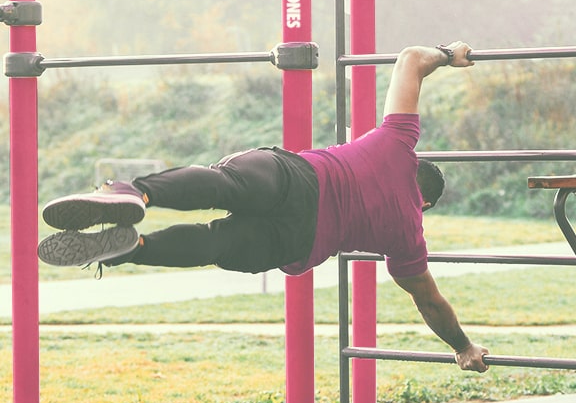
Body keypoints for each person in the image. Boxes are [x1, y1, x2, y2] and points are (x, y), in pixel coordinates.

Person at [38, 42, 489, 373]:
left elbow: (410, 59)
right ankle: (130, 250)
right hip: (302, 241)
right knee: (214, 244)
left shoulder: (398, 142)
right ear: (425, 203)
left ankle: (132, 193)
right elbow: (431, 303)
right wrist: (463, 347)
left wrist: (449, 54)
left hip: (300, 180)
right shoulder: (408, 236)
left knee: (222, 184)